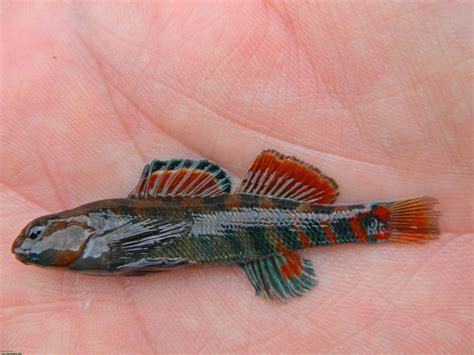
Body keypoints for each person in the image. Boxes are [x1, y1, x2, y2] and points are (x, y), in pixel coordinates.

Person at [1, 2, 471, 353]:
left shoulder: (101, 238)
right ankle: (380, 223)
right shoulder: (98, 249)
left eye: (39, 232)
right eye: (38, 242)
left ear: (73, 223)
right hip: (243, 219)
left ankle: (380, 221)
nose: (32, 244)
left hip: (254, 211)